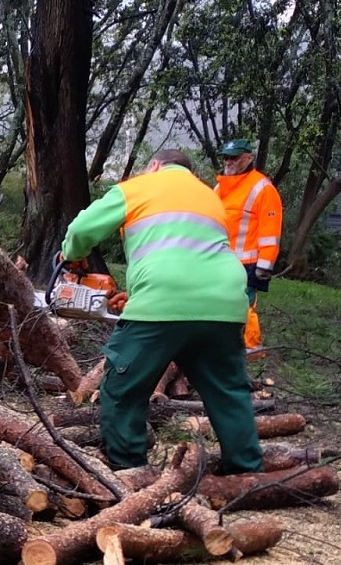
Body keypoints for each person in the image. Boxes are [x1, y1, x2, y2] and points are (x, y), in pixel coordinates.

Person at [60, 149, 263, 474]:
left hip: (162, 302)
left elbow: (81, 230)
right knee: (229, 392)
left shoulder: (137, 187)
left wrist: (71, 255)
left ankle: (128, 469)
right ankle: (245, 470)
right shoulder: (210, 197)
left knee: (123, 387)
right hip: (225, 304)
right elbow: (191, 254)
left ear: (154, 165)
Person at [214, 138, 283, 355]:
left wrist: (265, 266)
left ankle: (251, 348)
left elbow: (270, 232)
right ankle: (224, 345)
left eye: (234, 157)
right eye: (226, 157)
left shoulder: (263, 188)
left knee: (244, 306)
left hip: (247, 263)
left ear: (248, 158)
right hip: (219, 260)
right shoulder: (219, 187)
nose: (229, 161)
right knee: (219, 303)